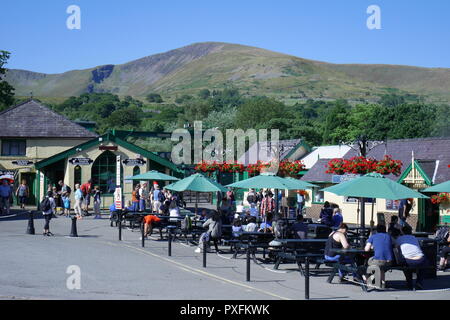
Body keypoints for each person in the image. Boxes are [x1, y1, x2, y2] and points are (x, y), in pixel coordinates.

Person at [394, 225, 428, 290]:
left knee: (404, 265)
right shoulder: (414, 238)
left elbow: (395, 247)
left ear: (402, 232)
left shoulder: (399, 238)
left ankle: (409, 282)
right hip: (421, 259)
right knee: (424, 263)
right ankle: (419, 282)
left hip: (408, 261)